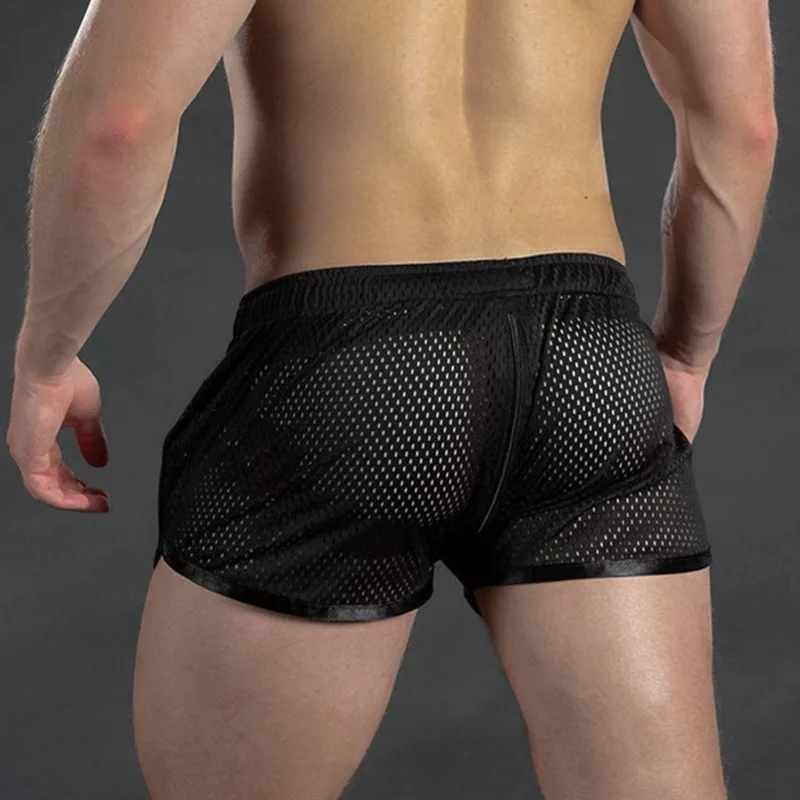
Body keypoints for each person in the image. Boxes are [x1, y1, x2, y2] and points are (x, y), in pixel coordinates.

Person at [6, 0, 776, 796]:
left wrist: (47, 358)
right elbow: (741, 126)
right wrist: (685, 354)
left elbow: (119, 126)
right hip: (590, 364)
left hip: (349, 367)